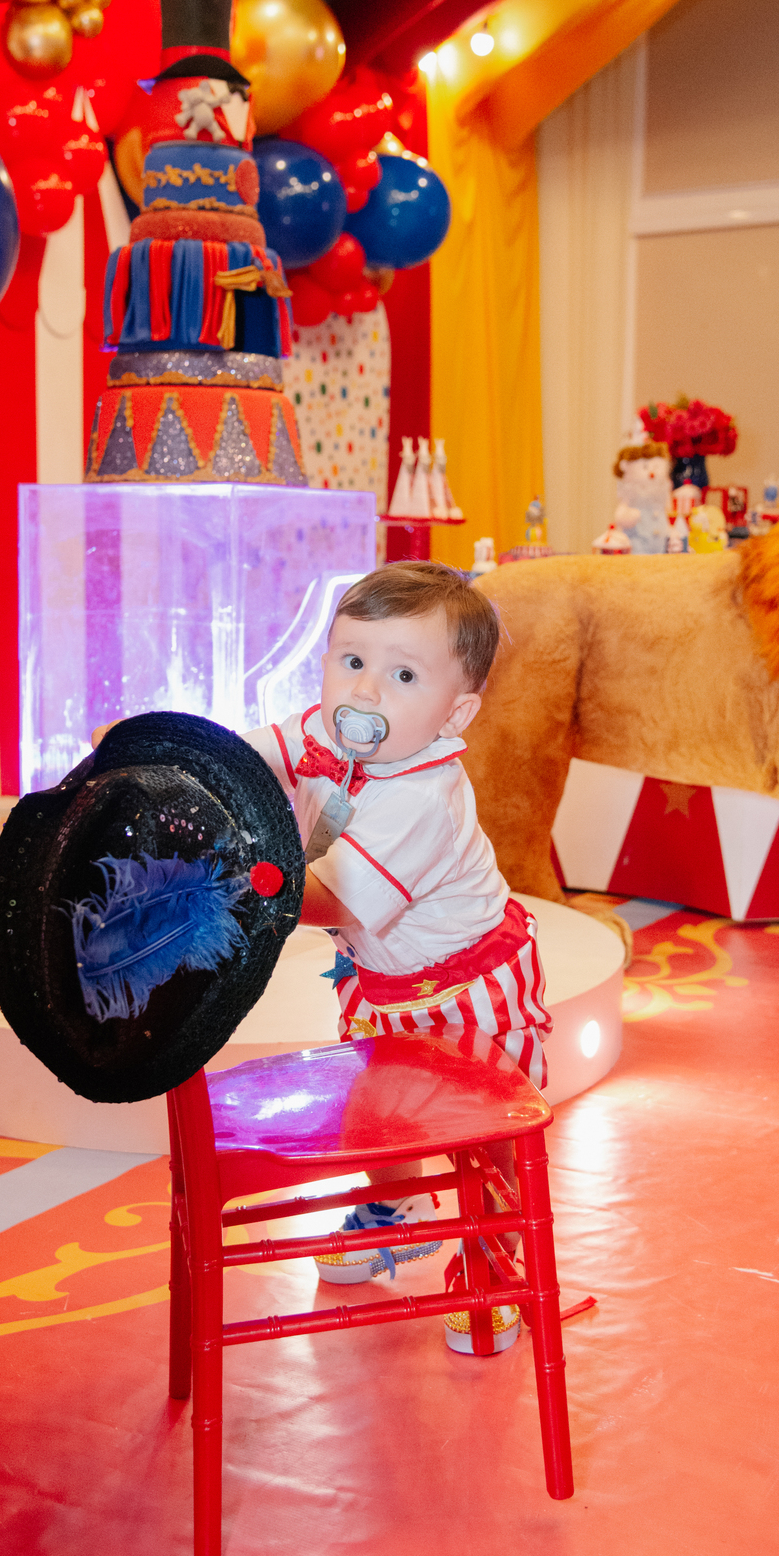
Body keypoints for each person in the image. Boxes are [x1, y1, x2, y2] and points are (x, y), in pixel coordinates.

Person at [242, 560, 551, 1352]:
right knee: (379, 1108)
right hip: (381, 982)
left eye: (403, 673)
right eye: (352, 662)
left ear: (457, 713)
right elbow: (257, 755)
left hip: (469, 989)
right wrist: (188, 758)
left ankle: (490, 1259)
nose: (366, 693)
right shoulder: (324, 733)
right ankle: (392, 1212)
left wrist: (235, 878)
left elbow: (333, 900)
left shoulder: (423, 795)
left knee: (487, 1137)